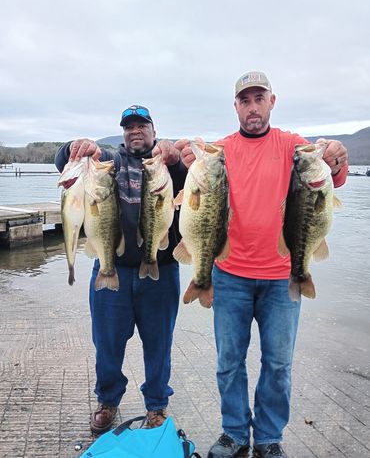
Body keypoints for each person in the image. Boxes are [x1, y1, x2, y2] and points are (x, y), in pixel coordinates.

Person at [175, 72, 348, 458]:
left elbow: (327, 176)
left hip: (281, 278)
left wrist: (336, 156)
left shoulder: (292, 145)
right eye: (244, 100)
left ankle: (269, 437)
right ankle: (234, 433)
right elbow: (193, 171)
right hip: (230, 274)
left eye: (259, 99)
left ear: (272, 102)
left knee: (279, 364)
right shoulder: (220, 151)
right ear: (235, 106)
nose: (252, 107)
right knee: (229, 363)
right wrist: (186, 154)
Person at [55, 105, 187, 434]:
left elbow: (194, 181)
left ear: (154, 131)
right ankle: (108, 400)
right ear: (123, 134)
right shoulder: (110, 162)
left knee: (159, 343)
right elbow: (63, 163)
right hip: (113, 267)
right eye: (129, 127)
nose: (135, 131)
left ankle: (156, 406)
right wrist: (74, 147)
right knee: (107, 343)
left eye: (142, 125)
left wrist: (177, 160)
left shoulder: (169, 166)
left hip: (161, 269)